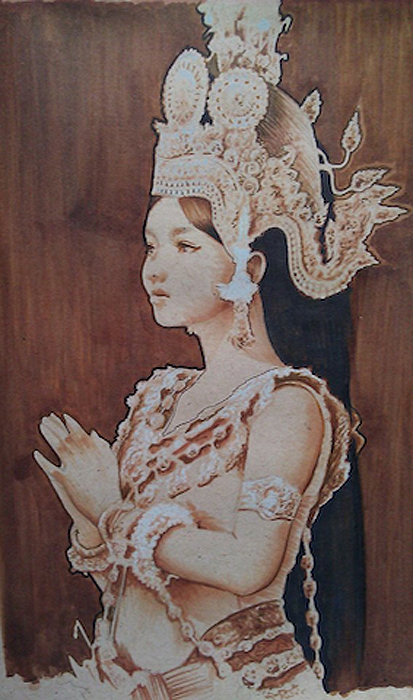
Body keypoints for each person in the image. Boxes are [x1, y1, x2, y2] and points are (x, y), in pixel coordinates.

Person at [28, 2, 407, 699]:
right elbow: (125, 571)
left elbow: (244, 567)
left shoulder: (287, 405)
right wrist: (85, 512)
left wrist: (108, 507)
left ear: (251, 268)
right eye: (151, 245)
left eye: (185, 246)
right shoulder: (159, 396)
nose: (154, 269)